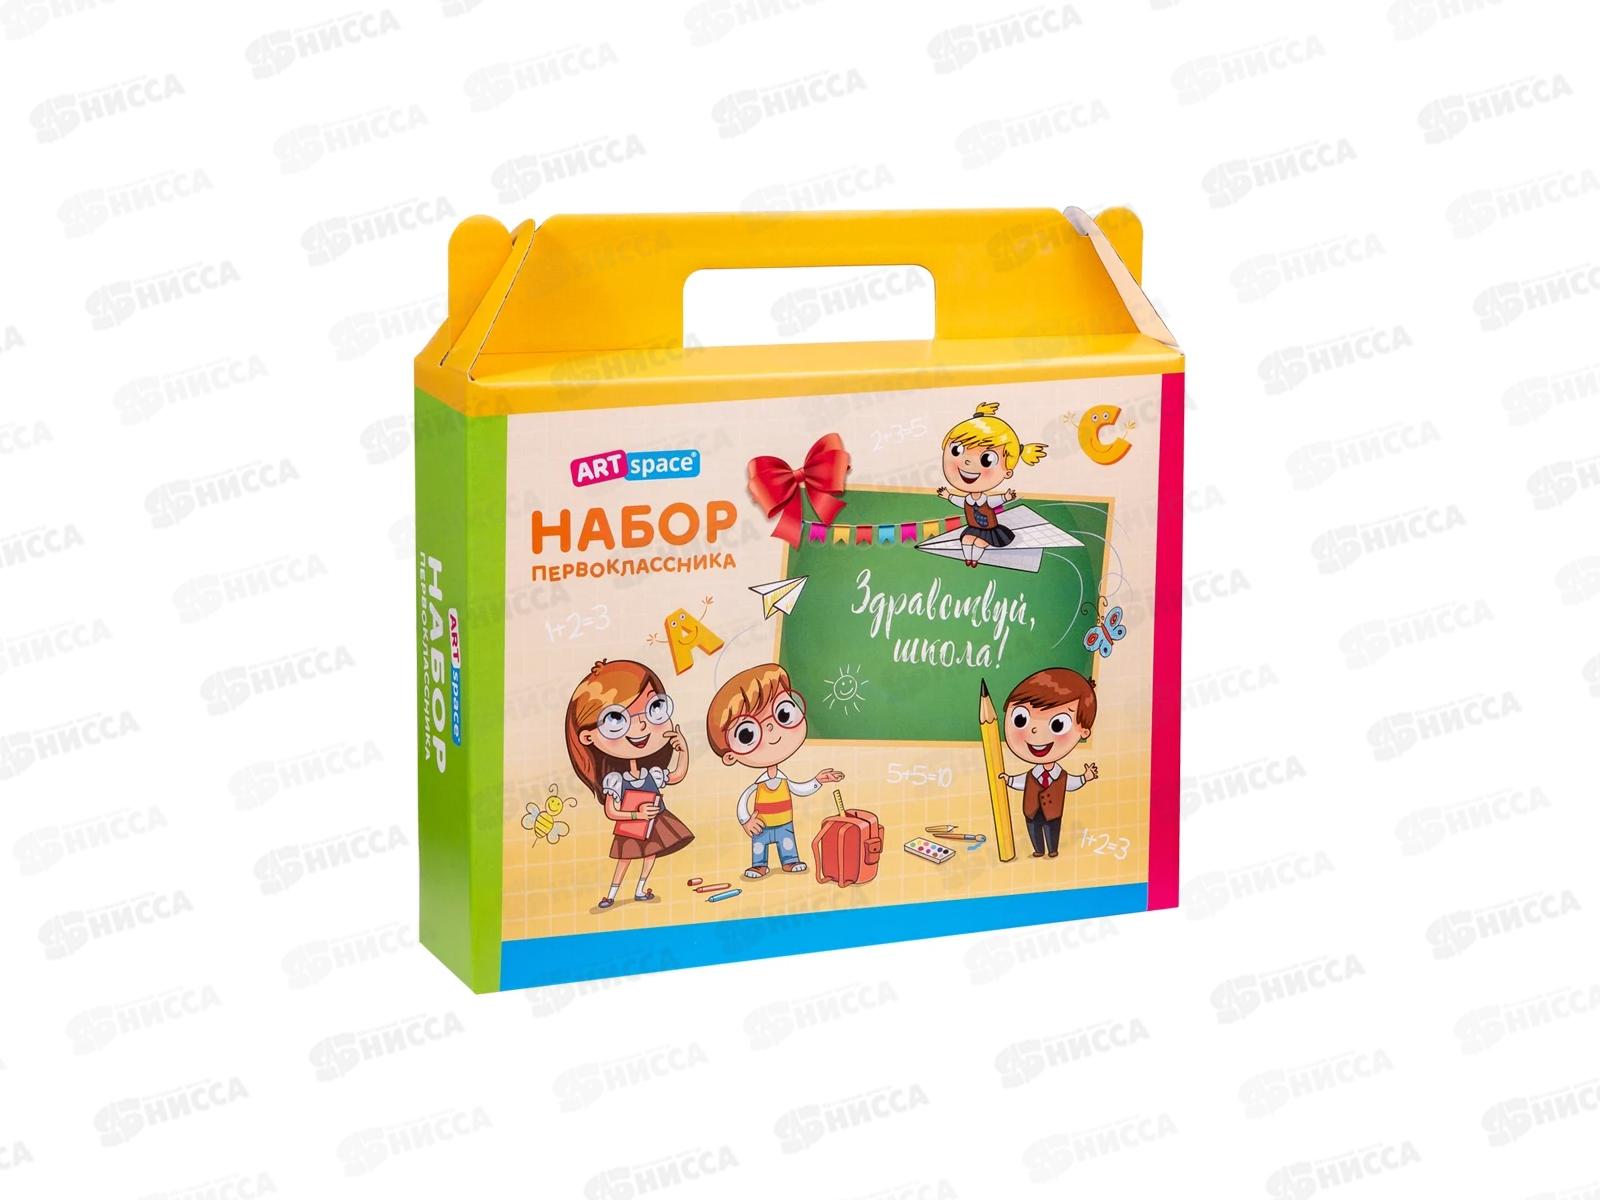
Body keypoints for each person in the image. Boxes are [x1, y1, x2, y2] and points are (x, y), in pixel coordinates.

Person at [564, 659, 693, 909]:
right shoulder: (615, 780)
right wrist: (637, 814)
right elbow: (612, 811)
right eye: (616, 720)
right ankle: (611, 894)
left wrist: (683, 750)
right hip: (631, 826)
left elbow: (677, 775)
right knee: (624, 859)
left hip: (655, 823)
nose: (642, 724)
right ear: (588, 736)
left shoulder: (652, 773)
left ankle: (641, 889)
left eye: (654, 708)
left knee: (650, 854)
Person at [706, 663, 843, 880]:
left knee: (787, 843)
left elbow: (798, 788)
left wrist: (818, 780)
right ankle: (759, 865)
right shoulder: (758, 784)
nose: (771, 729)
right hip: (761, 824)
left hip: (784, 822)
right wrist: (746, 821)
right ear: (731, 756)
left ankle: (790, 861)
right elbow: (744, 800)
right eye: (747, 734)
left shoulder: (783, 779)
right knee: (759, 845)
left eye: (783, 714)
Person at [998, 668, 1099, 858]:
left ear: (1084, 731)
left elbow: (1071, 783)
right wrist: (1008, 780)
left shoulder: (1061, 776)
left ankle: (1052, 850)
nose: (1035, 731)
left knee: (1052, 830)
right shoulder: (1032, 775)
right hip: (1031, 811)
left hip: (1053, 813)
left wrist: (1085, 777)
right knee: (1034, 829)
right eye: (1020, 719)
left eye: (1058, 724)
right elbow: (1022, 781)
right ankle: (1038, 849)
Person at [935, 400, 1048, 568]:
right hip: (973, 528)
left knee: (980, 543)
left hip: (990, 530)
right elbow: (957, 500)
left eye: (987, 459)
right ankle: (969, 559)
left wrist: (1006, 497)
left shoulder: (986, 500)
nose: (967, 462)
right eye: (956, 450)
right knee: (967, 540)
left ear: (1007, 472)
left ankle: (975, 559)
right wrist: (947, 495)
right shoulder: (967, 500)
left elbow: (997, 500)